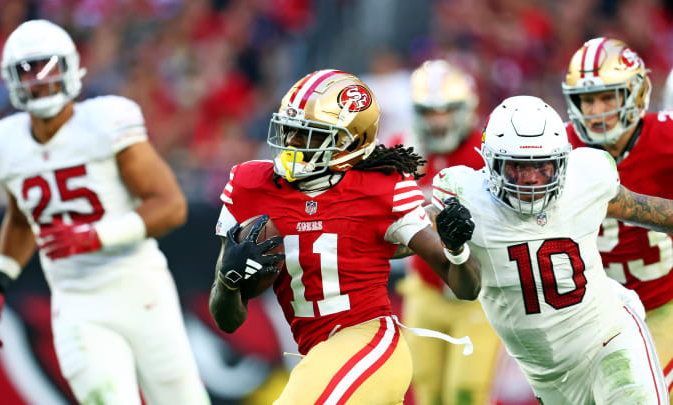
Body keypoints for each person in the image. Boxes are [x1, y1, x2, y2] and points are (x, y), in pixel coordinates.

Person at [0, 20, 210, 405]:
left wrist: (94, 236)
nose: (38, 80)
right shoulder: (5, 142)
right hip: (76, 301)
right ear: (10, 78)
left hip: (139, 287)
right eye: (27, 70)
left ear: (69, 68)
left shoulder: (104, 123)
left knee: (183, 400)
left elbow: (172, 205)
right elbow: (21, 217)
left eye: (47, 67)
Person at [209, 69, 481, 405]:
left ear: (347, 142)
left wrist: (456, 248)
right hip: (317, 354)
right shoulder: (251, 185)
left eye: (308, 134)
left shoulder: (381, 188)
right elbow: (228, 319)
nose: (292, 142)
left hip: (370, 343)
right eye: (289, 129)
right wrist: (228, 281)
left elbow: (467, 288)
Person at [429, 95, 669, 404]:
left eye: (542, 167)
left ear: (562, 161)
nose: (531, 180)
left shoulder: (586, 179)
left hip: (609, 339)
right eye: (517, 167)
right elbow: (461, 286)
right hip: (548, 376)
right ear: (492, 163)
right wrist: (454, 247)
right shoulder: (465, 198)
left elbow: (649, 211)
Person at [562, 37, 673, 400]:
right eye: (587, 99)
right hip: (594, 315)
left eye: (608, 96)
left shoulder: (665, 138)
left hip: (663, 304)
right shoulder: (557, 148)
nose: (596, 109)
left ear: (636, 93)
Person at [395, 59, 501, 405]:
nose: (438, 120)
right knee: (428, 393)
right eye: (428, 111)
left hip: (478, 294)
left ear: (465, 109)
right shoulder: (400, 152)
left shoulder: (486, 151)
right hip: (424, 289)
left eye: (446, 110)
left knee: (466, 392)